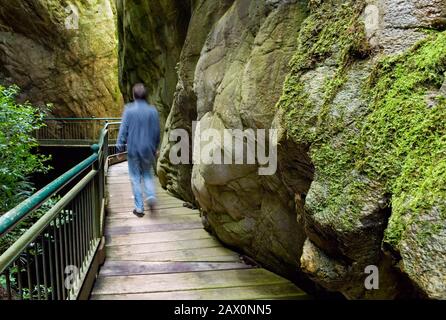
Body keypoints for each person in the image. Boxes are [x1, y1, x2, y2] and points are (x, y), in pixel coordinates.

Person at [117, 83, 160, 217]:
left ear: (134, 95)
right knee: (147, 174)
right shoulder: (152, 110)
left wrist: (119, 147)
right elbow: (156, 131)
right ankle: (151, 195)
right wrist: (156, 147)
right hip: (148, 148)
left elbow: (123, 130)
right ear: (146, 96)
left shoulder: (128, 110)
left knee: (135, 178)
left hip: (133, 149)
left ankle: (139, 208)